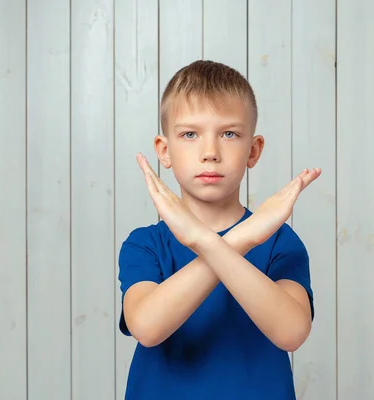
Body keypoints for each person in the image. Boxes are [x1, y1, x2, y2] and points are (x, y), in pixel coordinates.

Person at [117, 59, 321, 399]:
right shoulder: (145, 245)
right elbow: (147, 327)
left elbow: (292, 332)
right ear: (164, 151)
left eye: (229, 134)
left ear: (252, 150)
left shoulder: (280, 243)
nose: (210, 152)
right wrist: (239, 239)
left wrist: (205, 241)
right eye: (190, 134)